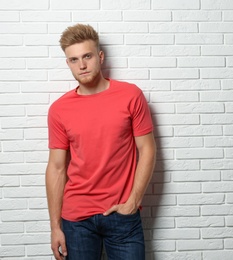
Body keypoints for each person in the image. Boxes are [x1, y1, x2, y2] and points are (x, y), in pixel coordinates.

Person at [45, 23, 156, 260]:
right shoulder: (59, 109)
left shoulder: (130, 95)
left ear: (100, 56)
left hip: (122, 215)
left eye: (87, 56)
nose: (82, 65)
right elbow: (56, 168)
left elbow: (147, 149)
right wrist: (55, 227)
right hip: (76, 221)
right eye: (74, 60)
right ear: (68, 63)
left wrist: (132, 202)